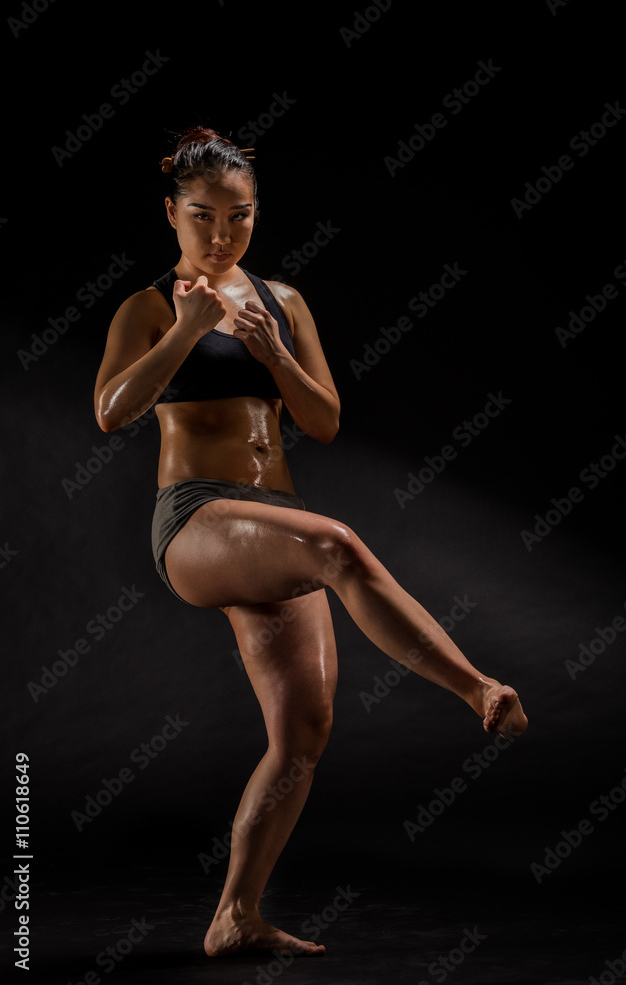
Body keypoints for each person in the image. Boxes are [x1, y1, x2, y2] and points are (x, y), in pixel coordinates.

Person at [93, 126, 527, 959]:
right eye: (202, 218)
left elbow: (323, 421)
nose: (221, 236)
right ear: (170, 215)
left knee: (301, 737)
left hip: (270, 523)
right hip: (195, 518)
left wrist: (268, 348)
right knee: (337, 547)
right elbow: (111, 412)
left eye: (239, 217)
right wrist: (187, 329)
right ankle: (477, 690)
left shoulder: (283, 302)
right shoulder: (147, 306)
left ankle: (235, 917)